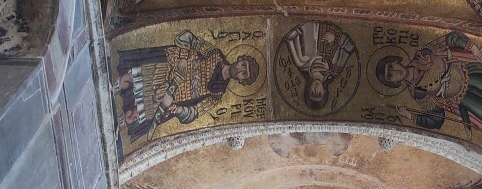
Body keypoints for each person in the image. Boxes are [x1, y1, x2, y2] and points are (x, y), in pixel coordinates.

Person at [116, 30, 260, 143]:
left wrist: (175, 108)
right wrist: (184, 57)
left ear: (241, 81)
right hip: (165, 68)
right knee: (130, 77)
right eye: (243, 65)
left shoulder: (217, 94)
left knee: (134, 113)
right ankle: (117, 85)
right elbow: (188, 36)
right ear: (239, 59)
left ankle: (119, 121)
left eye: (244, 74)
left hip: (168, 96)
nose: (240, 70)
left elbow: (194, 112)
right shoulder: (215, 54)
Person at [375, 33, 482, 143]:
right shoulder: (417, 92)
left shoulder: (422, 55)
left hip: (465, 72)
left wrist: (470, 46)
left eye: (391, 66)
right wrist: (410, 116)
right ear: (394, 83)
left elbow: (449, 38)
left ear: (397, 60)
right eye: (390, 75)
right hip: (462, 96)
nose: (395, 71)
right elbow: (436, 119)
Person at [283, 22, 356, 110]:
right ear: (324, 91)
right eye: (319, 94)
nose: (316, 89)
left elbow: (290, 36)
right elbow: (350, 47)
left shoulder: (301, 62)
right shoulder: (335, 69)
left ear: (308, 89)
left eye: (313, 93)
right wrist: (336, 38)